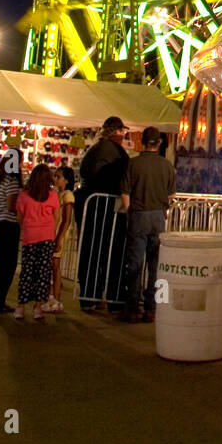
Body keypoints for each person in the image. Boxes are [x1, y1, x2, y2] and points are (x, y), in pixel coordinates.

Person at [118, 126, 175, 323]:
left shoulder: (133, 164)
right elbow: (171, 195)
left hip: (139, 215)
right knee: (155, 265)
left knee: (134, 263)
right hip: (158, 217)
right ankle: (152, 308)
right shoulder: (167, 166)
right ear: (159, 143)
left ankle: (132, 307)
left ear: (142, 142)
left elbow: (125, 193)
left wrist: (129, 211)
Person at [76, 117, 129, 312]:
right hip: (106, 210)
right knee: (111, 253)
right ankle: (112, 298)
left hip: (91, 207)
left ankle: (90, 295)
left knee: (91, 252)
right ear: (117, 132)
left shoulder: (95, 150)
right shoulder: (113, 153)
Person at [14, 164, 59, 320]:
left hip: (30, 236)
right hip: (47, 236)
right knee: (43, 272)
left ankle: (20, 306)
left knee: (27, 271)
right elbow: (56, 217)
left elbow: (19, 217)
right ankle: (38, 307)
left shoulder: (23, 196)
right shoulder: (52, 195)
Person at [0, 148, 22, 313]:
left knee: (0, 263)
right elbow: (11, 206)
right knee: (8, 264)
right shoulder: (11, 181)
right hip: (8, 223)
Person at [45, 166, 75, 313]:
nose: (55, 179)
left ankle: (56, 299)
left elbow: (67, 220)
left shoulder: (67, 195)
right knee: (51, 266)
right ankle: (52, 297)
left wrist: (59, 238)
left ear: (66, 180)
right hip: (53, 232)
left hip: (59, 234)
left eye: (58, 177)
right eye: (54, 176)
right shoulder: (57, 194)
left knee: (55, 266)